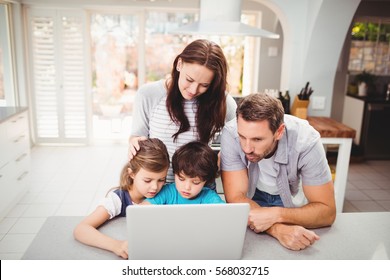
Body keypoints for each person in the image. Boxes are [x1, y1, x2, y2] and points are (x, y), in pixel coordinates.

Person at [220, 92, 336, 251]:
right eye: (242, 137)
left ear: (279, 132)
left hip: (291, 201)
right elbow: (235, 198)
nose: (246, 148)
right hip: (252, 197)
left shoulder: (306, 141)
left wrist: (275, 215)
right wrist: (278, 229)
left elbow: (327, 212)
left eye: (257, 139)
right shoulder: (231, 132)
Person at [129, 39, 237, 183]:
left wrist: (221, 160)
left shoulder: (222, 100)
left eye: (204, 85)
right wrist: (134, 142)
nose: (193, 90)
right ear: (179, 64)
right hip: (159, 188)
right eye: (189, 79)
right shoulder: (148, 94)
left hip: (198, 188)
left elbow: (239, 140)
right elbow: (137, 137)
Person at [73, 138, 170, 259]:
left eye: (161, 180)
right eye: (147, 180)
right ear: (132, 174)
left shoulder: (167, 193)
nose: (155, 187)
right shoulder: (118, 199)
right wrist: (117, 246)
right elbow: (81, 229)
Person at [143, 141, 225, 204]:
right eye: (181, 179)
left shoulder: (209, 197)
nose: (187, 187)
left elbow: (226, 216)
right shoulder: (167, 192)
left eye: (195, 182)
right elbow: (141, 212)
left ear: (205, 181)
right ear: (175, 173)